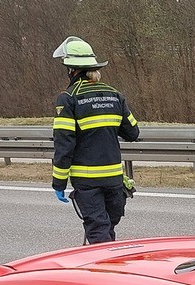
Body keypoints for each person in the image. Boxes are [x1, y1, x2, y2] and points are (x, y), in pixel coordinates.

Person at [50, 36, 139, 243]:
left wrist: (59, 182)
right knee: (108, 228)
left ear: (71, 70)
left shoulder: (69, 98)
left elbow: (64, 145)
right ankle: (111, 268)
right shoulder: (115, 95)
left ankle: (104, 272)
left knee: (98, 231)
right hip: (115, 179)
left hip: (87, 182)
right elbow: (133, 132)